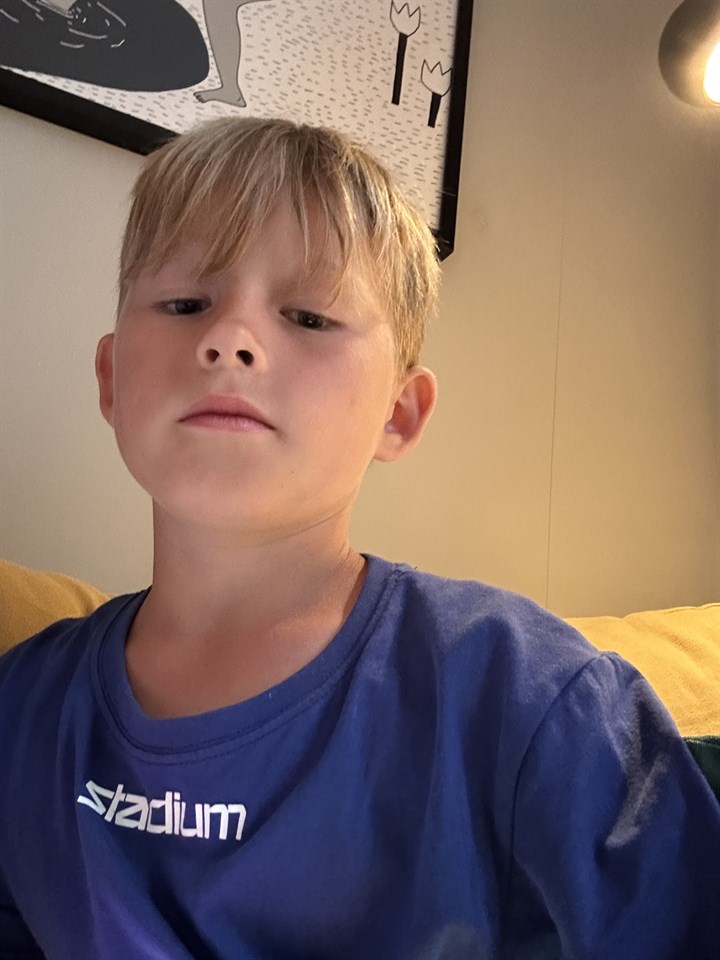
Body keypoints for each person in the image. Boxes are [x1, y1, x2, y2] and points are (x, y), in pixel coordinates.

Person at [0, 117, 717, 960]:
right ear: (112, 378)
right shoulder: (21, 709)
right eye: (187, 303)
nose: (228, 340)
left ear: (399, 414)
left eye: (308, 317)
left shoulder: (531, 694)